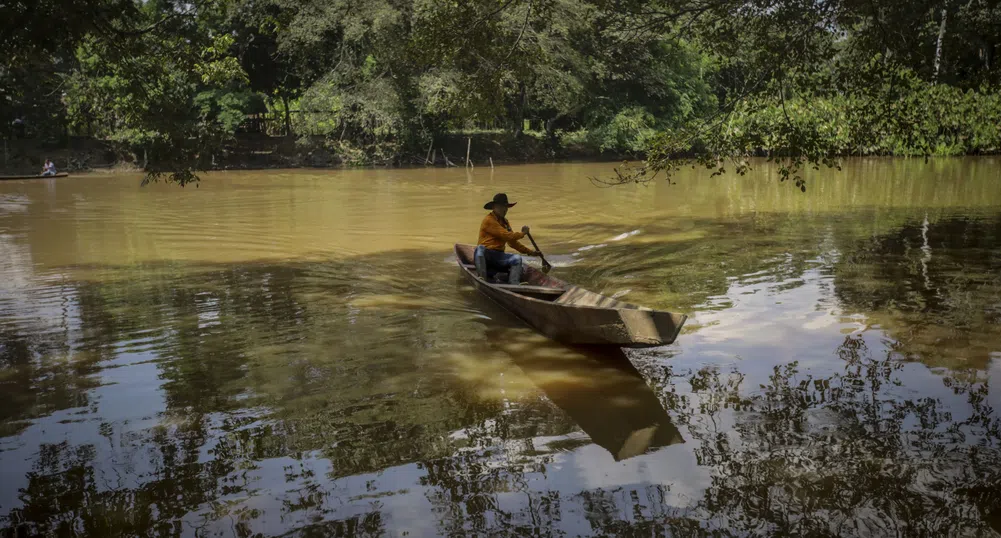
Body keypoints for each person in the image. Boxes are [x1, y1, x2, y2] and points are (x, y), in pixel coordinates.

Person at [474, 193, 540, 284]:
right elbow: (507, 236)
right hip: (487, 256)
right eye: (501, 207)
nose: (504, 210)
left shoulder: (505, 222)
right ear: (494, 207)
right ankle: (481, 278)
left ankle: (514, 284)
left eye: (506, 207)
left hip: (499, 257)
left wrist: (530, 252)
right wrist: (523, 233)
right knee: (480, 249)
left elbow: (512, 242)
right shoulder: (489, 220)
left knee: (517, 258)